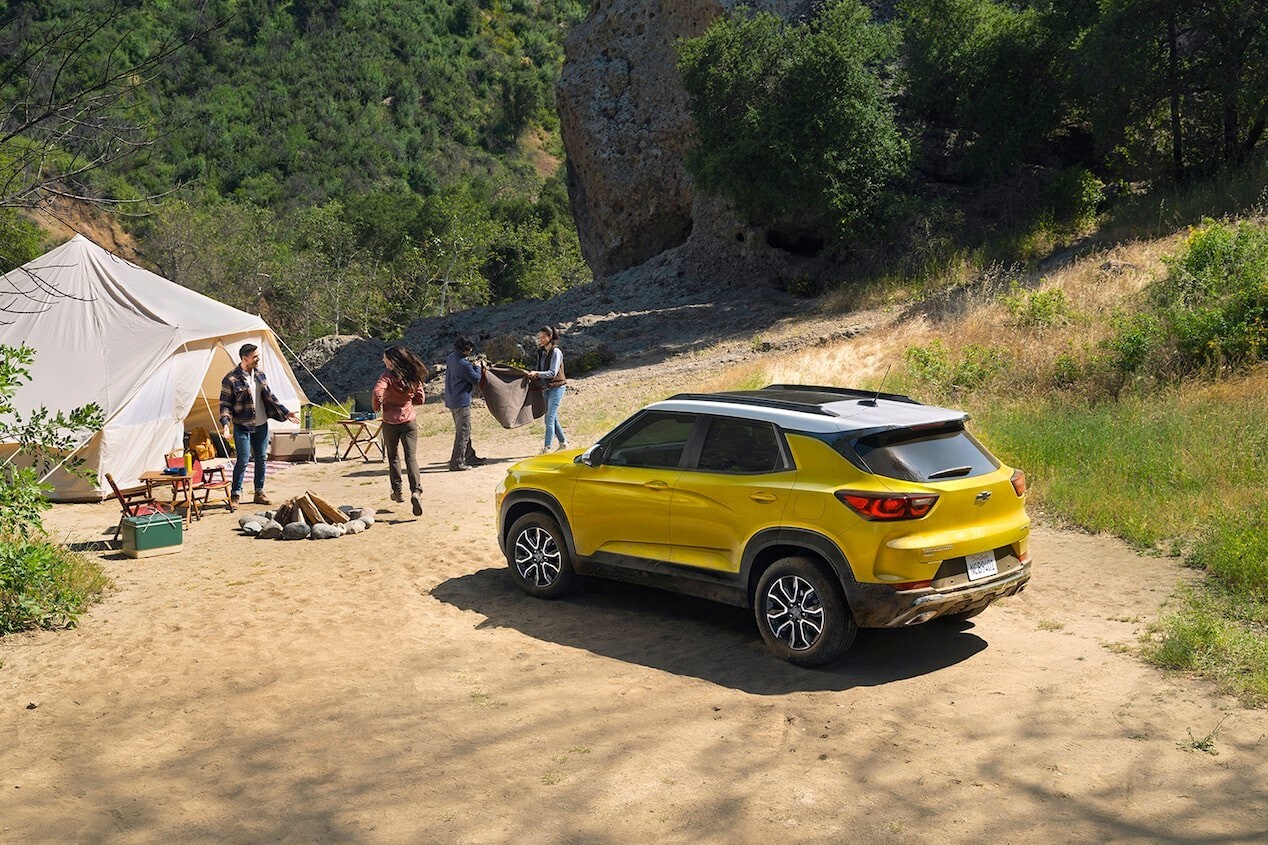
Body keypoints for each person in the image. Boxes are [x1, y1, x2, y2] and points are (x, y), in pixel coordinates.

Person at [219, 343, 299, 506]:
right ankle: (235, 493)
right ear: (245, 359)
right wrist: (225, 425)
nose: (258, 359)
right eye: (255, 357)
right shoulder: (230, 379)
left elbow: (270, 396)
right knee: (243, 459)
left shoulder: (260, 375)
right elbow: (225, 405)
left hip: (261, 424)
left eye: (258, 356)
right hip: (242, 425)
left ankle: (259, 492)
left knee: (262, 458)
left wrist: (286, 412)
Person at [372, 345, 428, 516]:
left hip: (390, 422)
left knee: (393, 456)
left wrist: (377, 405)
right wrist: (409, 402)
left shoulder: (387, 376)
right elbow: (420, 398)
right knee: (411, 457)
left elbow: (377, 391)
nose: (383, 360)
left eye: (385, 358)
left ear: (392, 361)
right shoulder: (412, 374)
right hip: (409, 421)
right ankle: (416, 491)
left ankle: (397, 491)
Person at [443, 337, 485, 471]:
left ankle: (470, 456)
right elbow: (476, 379)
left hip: (452, 399)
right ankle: (457, 462)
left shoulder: (451, 357)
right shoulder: (464, 364)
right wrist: (477, 367)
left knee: (463, 430)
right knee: (463, 432)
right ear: (466, 349)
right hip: (461, 401)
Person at [527, 325, 567, 454]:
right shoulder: (541, 352)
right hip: (546, 388)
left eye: (543, 337)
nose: (541, 340)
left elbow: (552, 373)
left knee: (549, 418)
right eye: (539, 338)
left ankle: (547, 448)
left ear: (550, 337)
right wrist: (534, 376)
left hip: (557, 388)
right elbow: (540, 370)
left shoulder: (556, 352)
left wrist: (537, 374)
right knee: (553, 418)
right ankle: (563, 443)